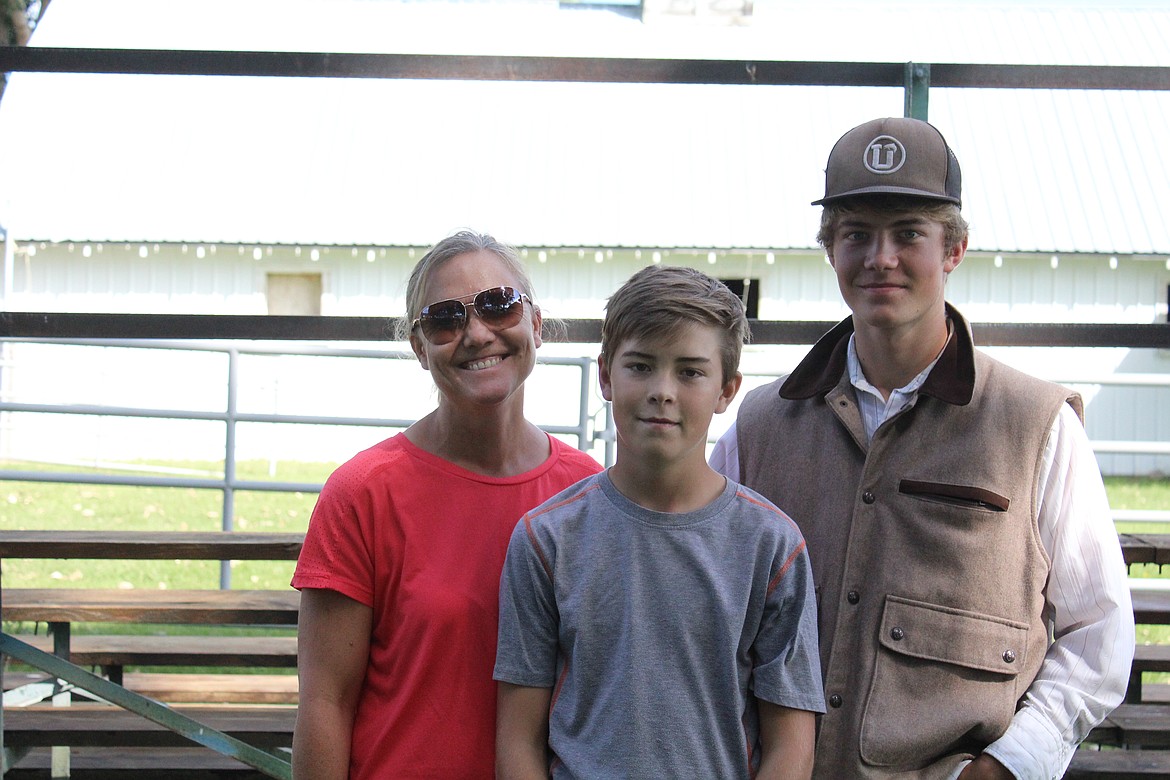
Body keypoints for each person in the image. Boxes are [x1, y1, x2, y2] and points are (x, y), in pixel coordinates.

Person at [710, 117, 1135, 779]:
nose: (881, 257)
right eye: (856, 234)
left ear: (954, 249)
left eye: (909, 233)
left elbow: (1100, 633)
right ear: (830, 250)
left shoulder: (1036, 426)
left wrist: (1006, 767)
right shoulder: (760, 425)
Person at [290, 230, 603, 779]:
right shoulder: (364, 492)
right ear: (419, 346)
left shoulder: (588, 494)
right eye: (444, 319)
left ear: (535, 322)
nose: (477, 334)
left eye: (498, 305)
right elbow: (325, 705)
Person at [494, 265, 825, 779]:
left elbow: (791, 747)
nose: (662, 391)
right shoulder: (547, 539)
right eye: (641, 366)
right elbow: (518, 739)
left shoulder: (772, 547)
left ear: (727, 389)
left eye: (690, 371)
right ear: (605, 375)